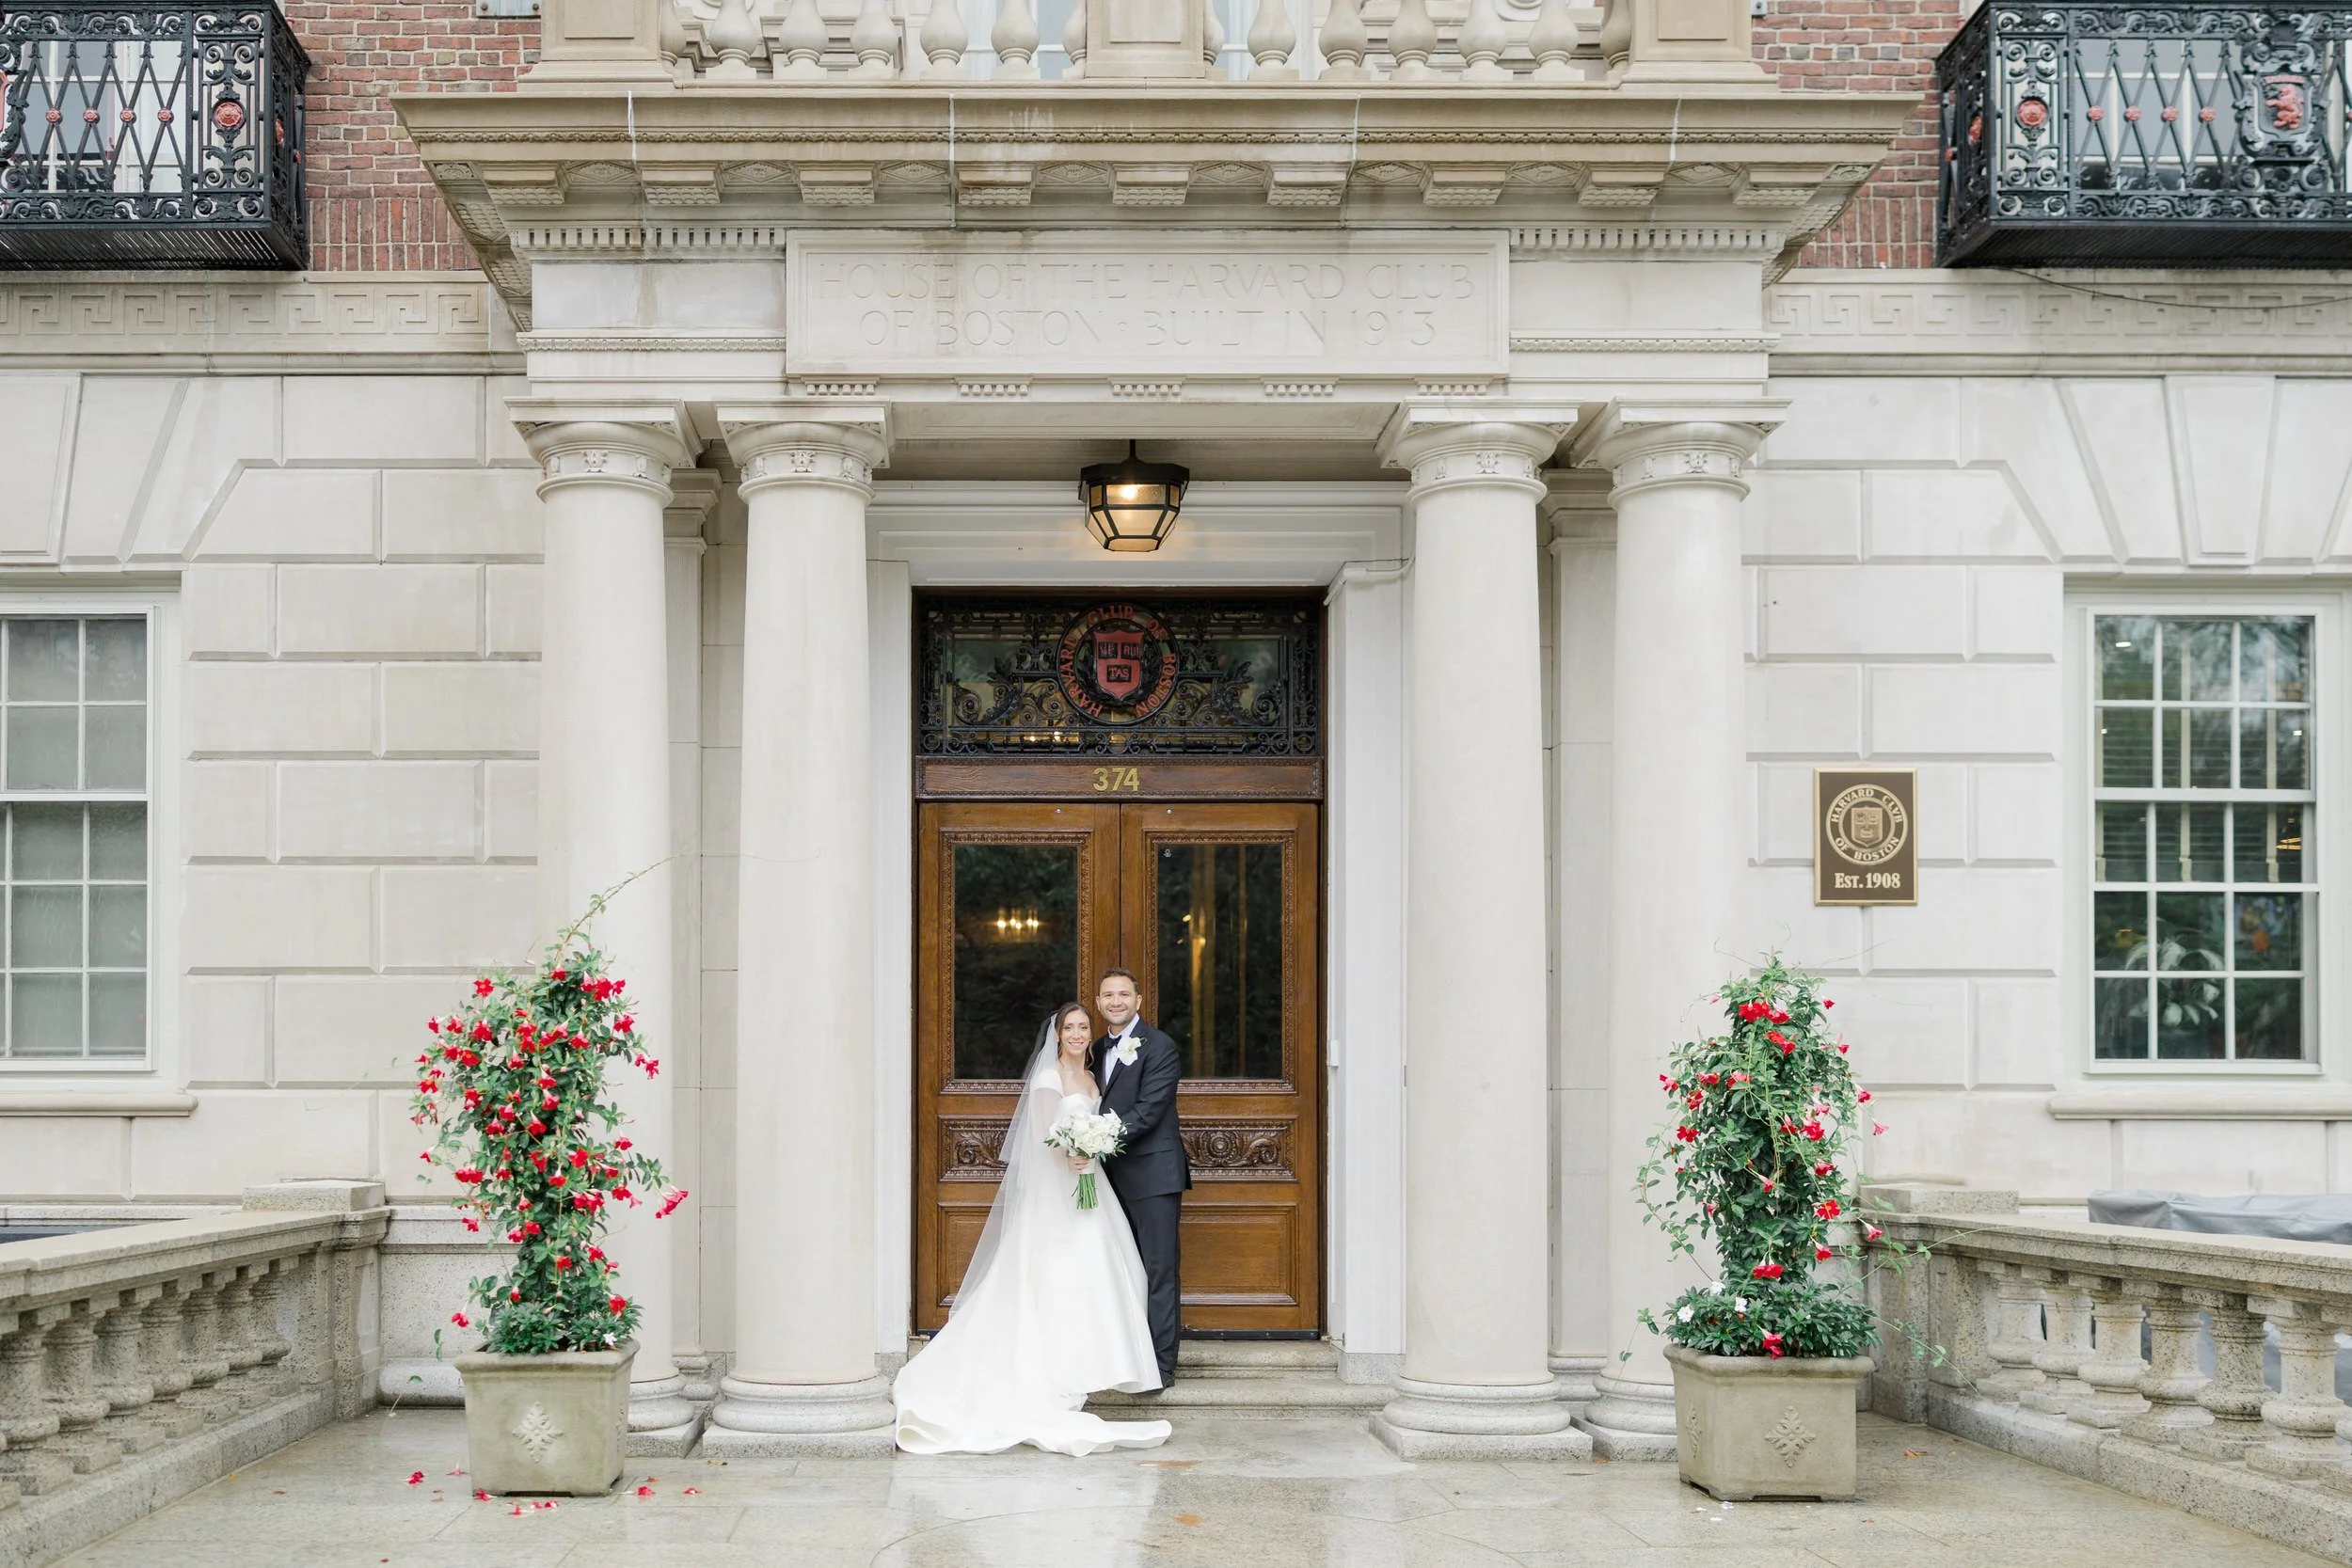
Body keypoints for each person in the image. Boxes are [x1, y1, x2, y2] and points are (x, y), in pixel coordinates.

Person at [891, 1000, 1172, 1456]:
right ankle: (1052, 1366)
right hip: (1058, 1188)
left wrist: (1091, 1152)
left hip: (1089, 1183)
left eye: (1084, 1026)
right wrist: (1075, 1153)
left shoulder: (1092, 1077)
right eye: (1070, 1027)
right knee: (1057, 1275)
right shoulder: (1048, 1079)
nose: (1079, 1034)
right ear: (1057, 1035)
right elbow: (1045, 1139)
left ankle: (1095, 1363)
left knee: (1102, 1272)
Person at [1087, 967, 1189, 1387]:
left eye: (1123, 995)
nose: (1115, 1002)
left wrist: (1095, 1137)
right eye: (1108, 995)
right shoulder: (1093, 1049)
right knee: (1119, 1270)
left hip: (1153, 1177)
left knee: (1159, 1269)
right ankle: (1124, 1359)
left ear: (1138, 1001)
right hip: (1107, 1181)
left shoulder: (1160, 1046)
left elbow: (1150, 1109)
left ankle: (1161, 1365)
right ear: (1098, 1002)